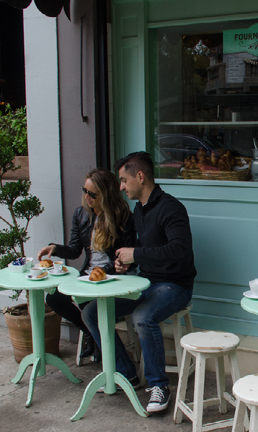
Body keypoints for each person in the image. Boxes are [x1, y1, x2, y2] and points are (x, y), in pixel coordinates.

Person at [82, 151, 196, 413]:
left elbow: (180, 250)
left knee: (142, 317)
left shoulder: (171, 207)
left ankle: (159, 386)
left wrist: (137, 254)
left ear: (140, 177)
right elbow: (142, 249)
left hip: (175, 286)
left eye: (123, 180)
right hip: (145, 282)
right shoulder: (139, 210)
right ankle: (124, 373)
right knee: (91, 311)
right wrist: (126, 262)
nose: (121, 187)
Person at [37, 168, 135, 363]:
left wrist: (107, 270)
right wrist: (54, 249)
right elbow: (75, 250)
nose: (87, 197)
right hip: (88, 274)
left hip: (113, 275)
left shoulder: (122, 215)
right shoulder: (81, 214)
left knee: (89, 303)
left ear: (105, 195)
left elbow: (127, 256)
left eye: (92, 194)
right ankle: (89, 331)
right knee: (54, 298)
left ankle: (101, 345)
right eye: (85, 191)